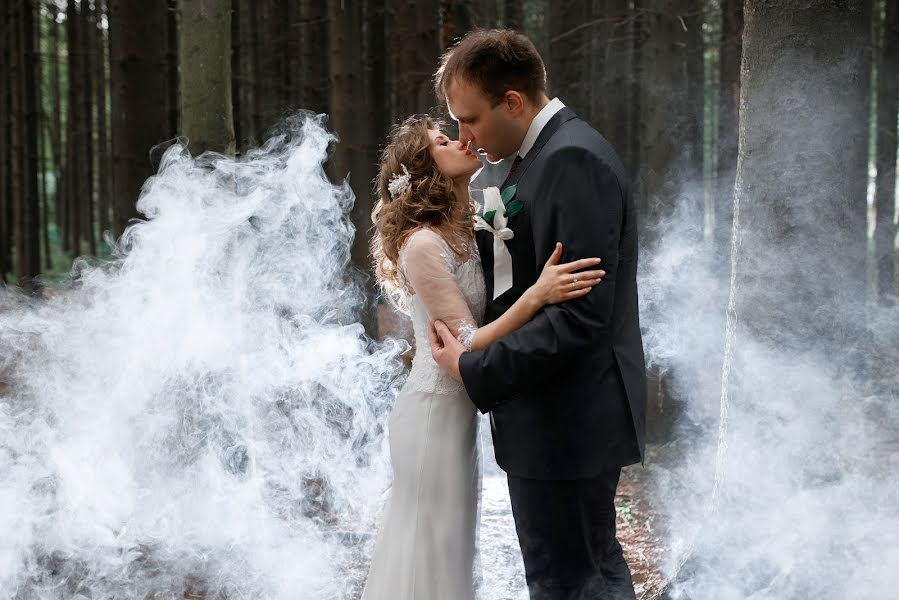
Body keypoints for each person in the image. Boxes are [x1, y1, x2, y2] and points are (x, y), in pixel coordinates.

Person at [428, 29, 647, 599]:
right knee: (574, 577)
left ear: (514, 102)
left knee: (572, 583)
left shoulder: (572, 159)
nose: (464, 136)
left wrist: (473, 369)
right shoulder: (536, 161)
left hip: (571, 420)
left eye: (471, 118)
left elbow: (579, 318)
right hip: (549, 419)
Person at [361, 114, 606, 600]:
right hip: (432, 413)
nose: (460, 141)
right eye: (443, 141)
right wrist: (538, 296)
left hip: (459, 412)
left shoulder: (466, 226)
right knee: (425, 549)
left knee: (450, 548)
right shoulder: (422, 245)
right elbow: (468, 342)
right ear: (424, 168)